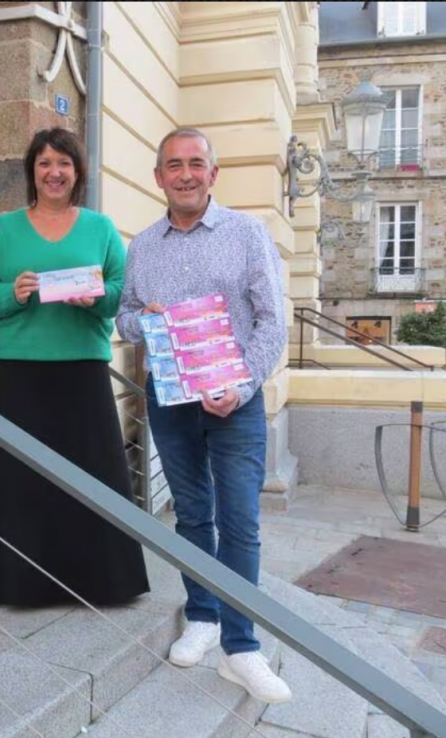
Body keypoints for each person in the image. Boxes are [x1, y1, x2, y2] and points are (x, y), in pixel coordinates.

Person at [115, 128, 291, 704]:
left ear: (213, 174)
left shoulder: (247, 234)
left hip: (234, 403)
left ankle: (241, 647)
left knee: (239, 520)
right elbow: (125, 318)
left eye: (196, 164)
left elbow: (272, 322)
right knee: (192, 515)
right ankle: (203, 616)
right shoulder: (143, 246)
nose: (185, 174)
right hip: (171, 402)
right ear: (158, 177)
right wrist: (147, 320)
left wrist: (241, 385)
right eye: (174, 165)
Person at [0, 127, 149, 607]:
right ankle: (13, 581)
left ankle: (99, 582)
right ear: (32, 171)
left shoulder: (100, 228)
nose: (54, 172)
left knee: (91, 475)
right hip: (19, 371)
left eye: (64, 163)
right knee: (15, 479)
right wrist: (13, 294)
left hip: (82, 368)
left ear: (77, 172)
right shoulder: (5, 229)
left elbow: (122, 291)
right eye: (44, 163)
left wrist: (95, 297)